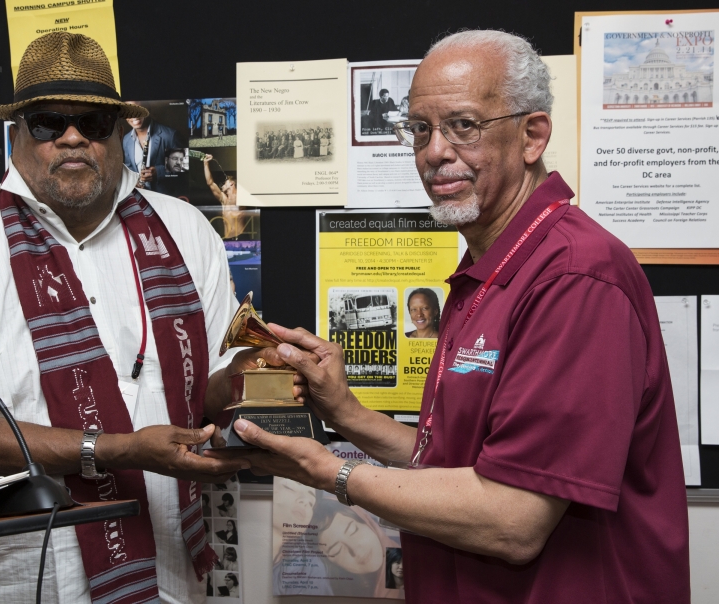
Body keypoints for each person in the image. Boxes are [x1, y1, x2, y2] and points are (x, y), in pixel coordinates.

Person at [207, 29, 689, 603]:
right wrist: (347, 414)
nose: (435, 152)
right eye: (419, 129)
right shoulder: (490, 267)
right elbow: (453, 462)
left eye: (464, 125)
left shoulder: (575, 276)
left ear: (532, 135)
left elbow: (513, 520)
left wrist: (329, 470)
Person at [0, 31, 272, 604]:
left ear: (119, 133)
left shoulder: (186, 229)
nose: (72, 138)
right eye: (47, 122)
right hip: (27, 576)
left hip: (169, 563)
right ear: (17, 133)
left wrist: (259, 373)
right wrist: (119, 450)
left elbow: (207, 388)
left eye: (92, 122)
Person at [122, 104, 183, 194]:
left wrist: (158, 173)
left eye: (138, 109)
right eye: (129, 111)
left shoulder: (170, 135)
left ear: (147, 109)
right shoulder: (126, 140)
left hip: (166, 199)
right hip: (140, 199)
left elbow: (182, 170)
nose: (134, 115)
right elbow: (130, 171)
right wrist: (134, 183)